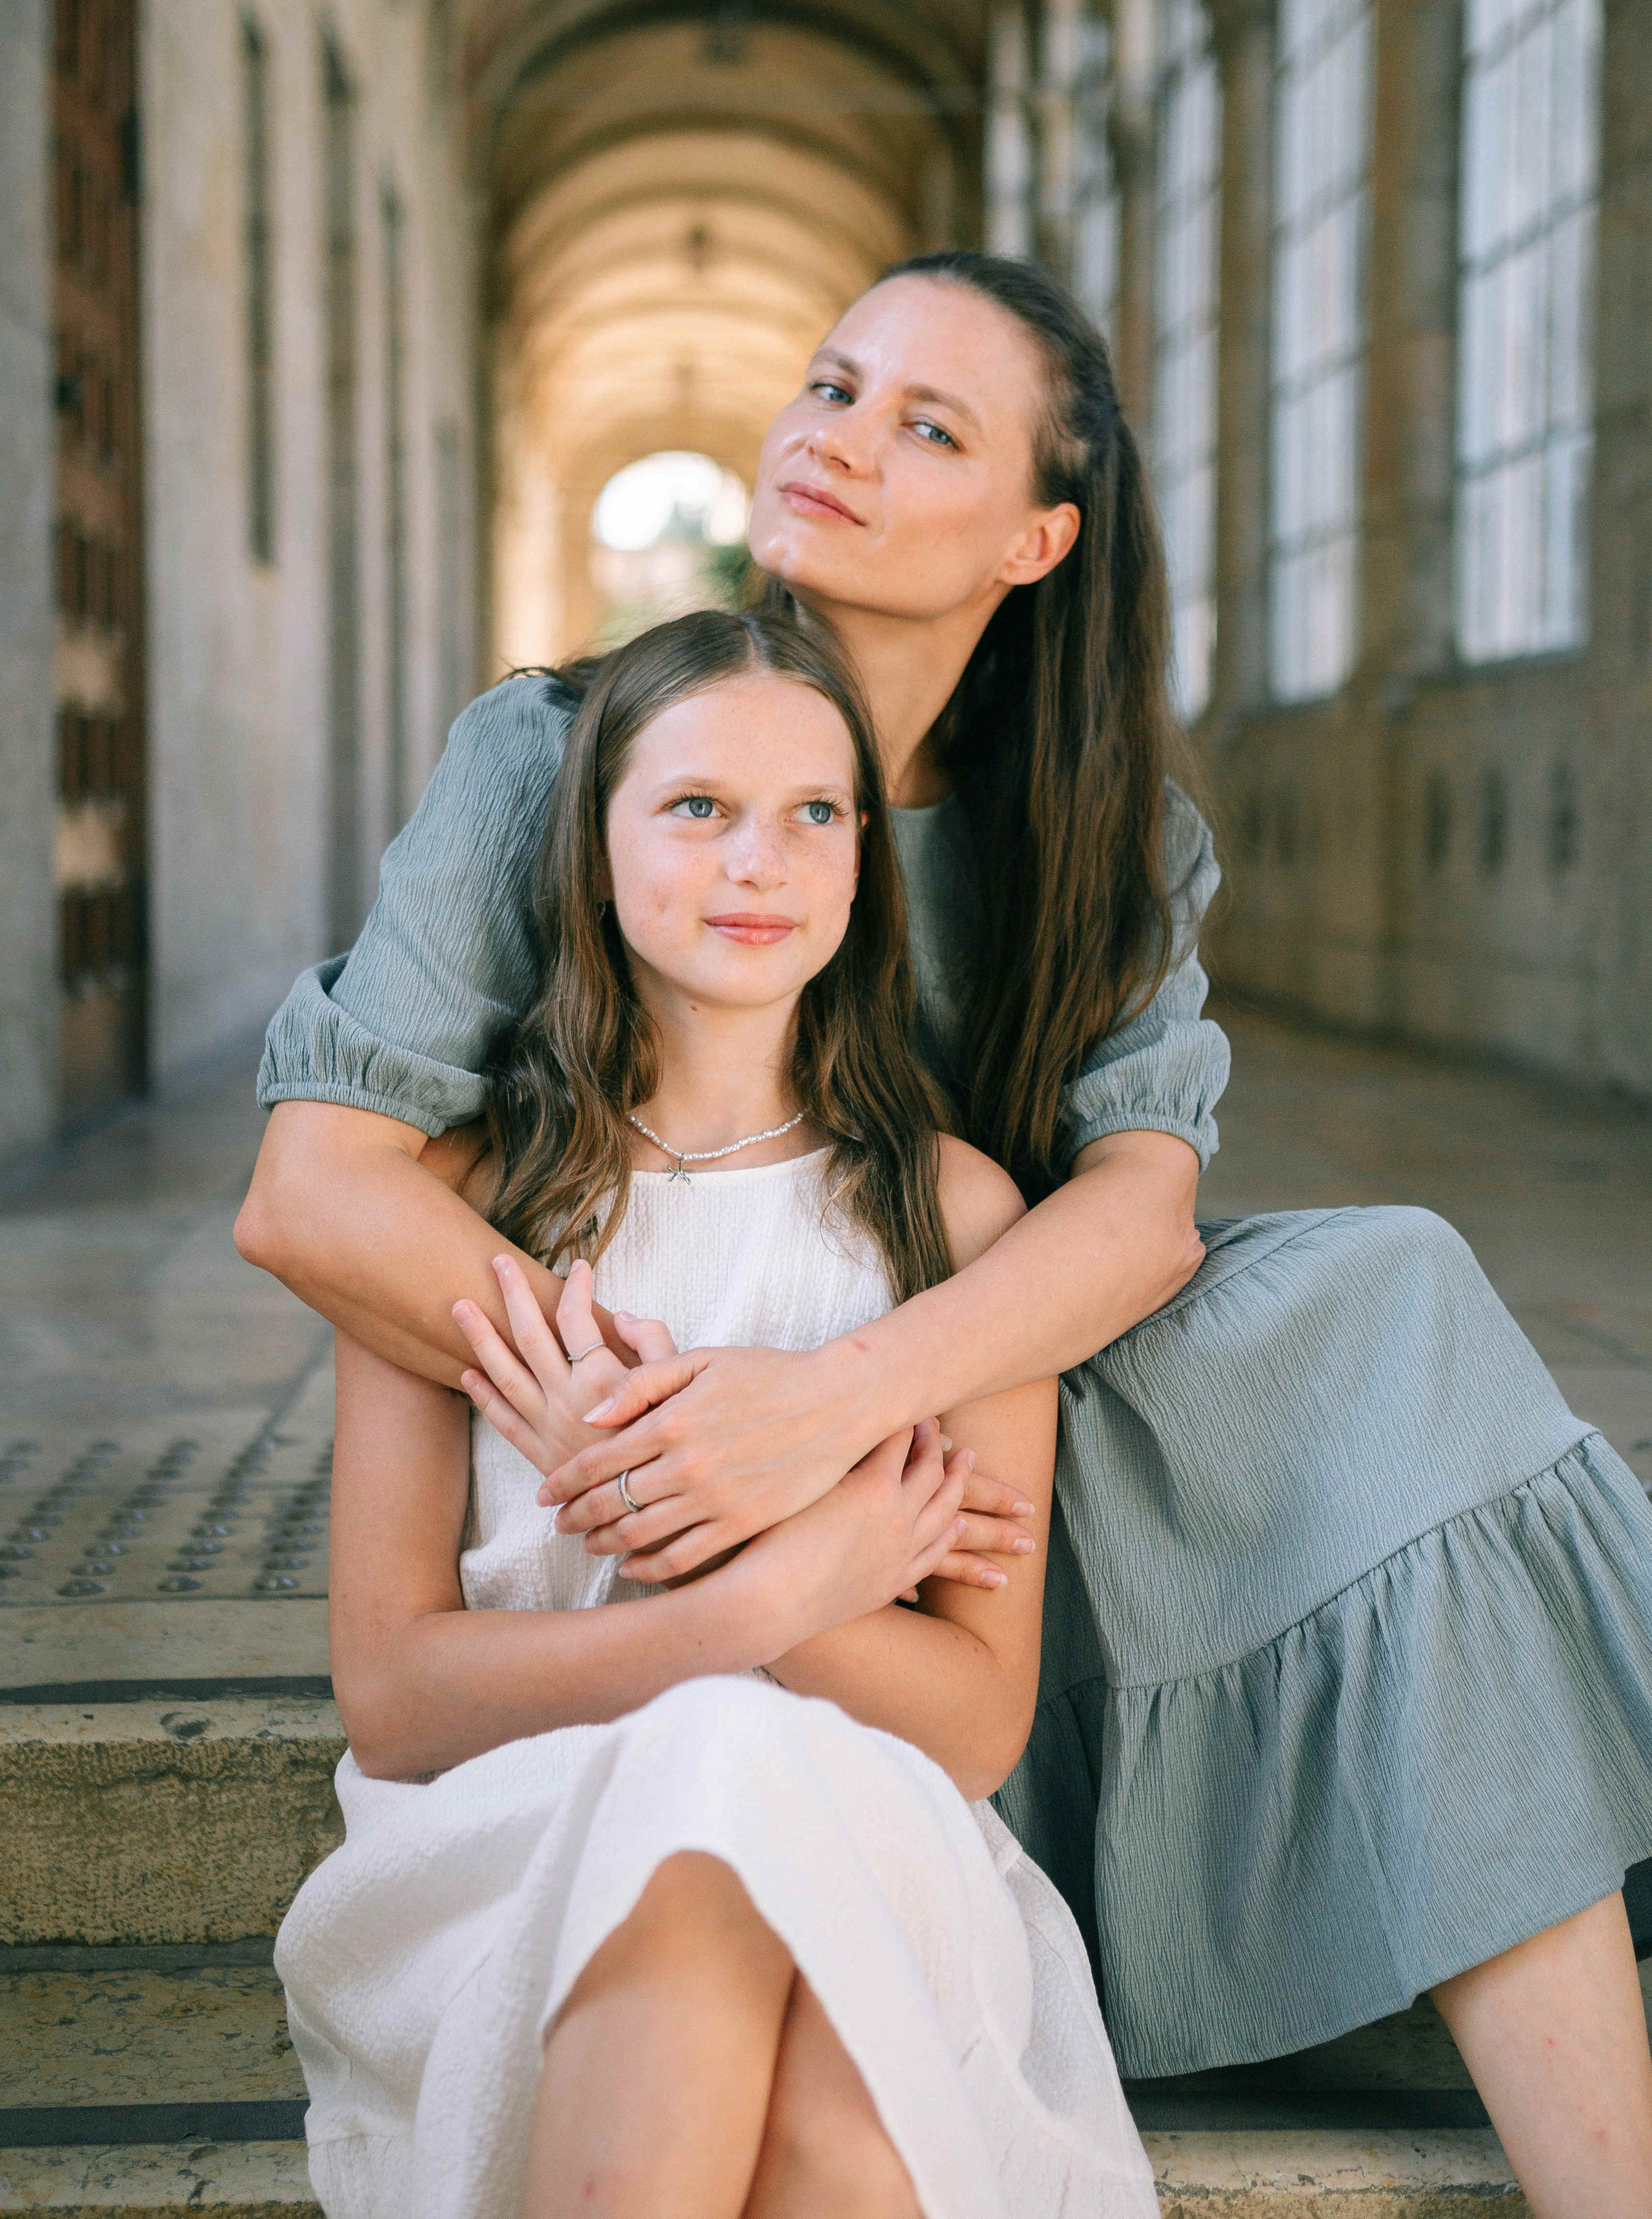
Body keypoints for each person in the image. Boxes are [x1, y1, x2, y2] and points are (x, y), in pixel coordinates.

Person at [243, 250, 1652, 2217]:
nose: (839, 441)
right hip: (656, 1388)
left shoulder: (1104, 832)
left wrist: (823, 1409)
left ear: (1036, 536)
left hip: (955, 1407)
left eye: (927, 427)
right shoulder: (558, 752)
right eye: (831, 386)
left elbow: (1140, 1216)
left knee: (1391, 1306)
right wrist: (638, 1419)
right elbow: (312, 1190)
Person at [276, 608, 1158, 2219]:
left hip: (873, 1820)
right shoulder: (462, 1218)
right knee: (719, 1788)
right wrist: (769, 1584)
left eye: (812, 814)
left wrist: (724, 1553)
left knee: (826, 2051)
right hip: (513, 1831)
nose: (759, 859)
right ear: (592, 847)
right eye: (694, 807)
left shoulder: (957, 1232)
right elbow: (396, 1696)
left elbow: (970, 1720)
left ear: (857, 872)